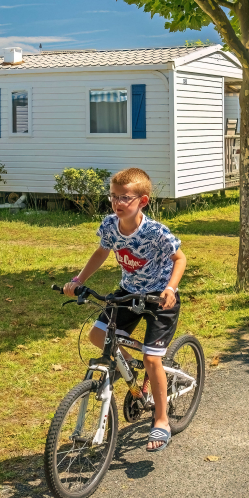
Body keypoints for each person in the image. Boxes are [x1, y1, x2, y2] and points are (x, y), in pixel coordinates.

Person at [63, 167, 187, 452]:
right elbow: (102, 251)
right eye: (113, 197)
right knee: (98, 335)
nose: (118, 203)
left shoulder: (155, 231)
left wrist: (170, 288)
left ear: (142, 201)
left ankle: (162, 420)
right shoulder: (109, 225)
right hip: (129, 294)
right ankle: (134, 367)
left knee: (153, 359)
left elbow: (180, 259)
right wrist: (78, 280)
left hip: (159, 298)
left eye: (125, 198)